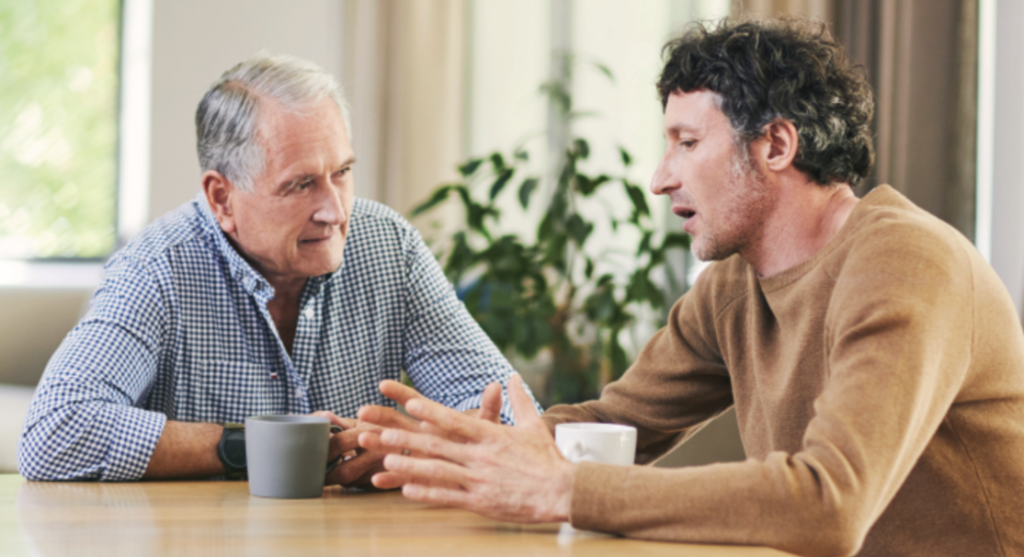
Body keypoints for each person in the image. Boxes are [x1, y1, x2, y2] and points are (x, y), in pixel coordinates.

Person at [354, 19, 1024, 556]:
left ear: (776, 145)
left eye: (686, 142)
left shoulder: (906, 262)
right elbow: (618, 425)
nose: (660, 177)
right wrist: (449, 449)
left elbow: (830, 502)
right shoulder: (734, 287)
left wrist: (569, 490)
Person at [17, 52, 539, 486]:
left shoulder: (389, 246)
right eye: (300, 185)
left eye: (343, 173)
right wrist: (256, 445)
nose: (335, 211)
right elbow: (55, 431)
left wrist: (411, 443)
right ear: (221, 197)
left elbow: (516, 414)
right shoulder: (157, 268)